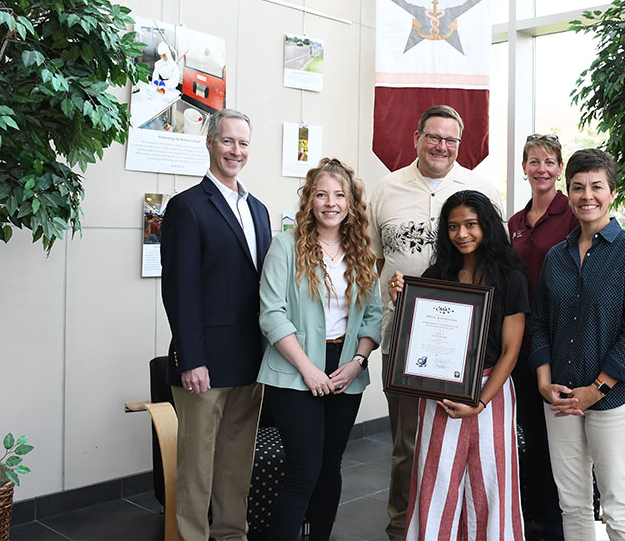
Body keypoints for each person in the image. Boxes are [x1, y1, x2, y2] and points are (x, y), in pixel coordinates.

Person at [367, 104, 504, 541]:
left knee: (463, 445)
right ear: (416, 137)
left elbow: (497, 261)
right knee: (408, 445)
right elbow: (371, 263)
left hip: (469, 347)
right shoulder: (385, 189)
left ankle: (455, 528)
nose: (441, 146)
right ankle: (401, 528)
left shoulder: (481, 189)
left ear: (460, 145)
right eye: (433, 136)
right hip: (403, 342)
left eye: (450, 139)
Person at [529, 148, 625, 541]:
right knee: (572, 503)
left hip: (615, 400)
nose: (587, 195)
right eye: (577, 187)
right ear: (567, 194)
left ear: (612, 192)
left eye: (596, 187)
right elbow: (539, 322)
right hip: (562, 398)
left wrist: (596, 389)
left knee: (617, 505)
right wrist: (543, 380)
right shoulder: (556, 256)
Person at [388, 190, 526, 541]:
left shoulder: (511, 277)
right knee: (436, 481)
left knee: (492, 484)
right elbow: (421, 336)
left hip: (492, 390)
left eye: (470, 224)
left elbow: (511, 350)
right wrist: (401, 301)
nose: (462, 234)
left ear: (487, 227)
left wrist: (479, 401)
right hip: (439, 390)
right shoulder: (437, 274)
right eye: (453, 226)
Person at [161, 108, 272, 540]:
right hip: (204, 365)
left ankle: (231, 535)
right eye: (228, 141)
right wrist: (192, 359)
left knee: (236, 463)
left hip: (250, 362)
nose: (236, 151)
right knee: (196, 468)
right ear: (209, 142)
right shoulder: (187, 207)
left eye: (243, 143)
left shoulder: (259, 210)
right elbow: (179, 290)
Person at [257, 158, 383, 540]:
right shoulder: (286, 246)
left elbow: (373, 316)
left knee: (330, 467)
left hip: (345, 370)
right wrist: (308, 370)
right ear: (309, 199)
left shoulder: (360, 250)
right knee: (303, 469)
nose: (331, 203)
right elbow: (271, 313)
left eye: (339, 195)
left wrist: (357, 363)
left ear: (351, 202)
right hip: (295, 369)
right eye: (322, 194)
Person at [508, 133, 577, 540]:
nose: (542, 170)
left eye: (549, 162)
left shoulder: (572, 214)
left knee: (561, 442)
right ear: (524, 169)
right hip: (523, 343)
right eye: (534, 162)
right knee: (532, 435)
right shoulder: (516, 223)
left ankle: (560, 526)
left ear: (560, 168)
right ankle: (533, 519)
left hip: (561, 341)